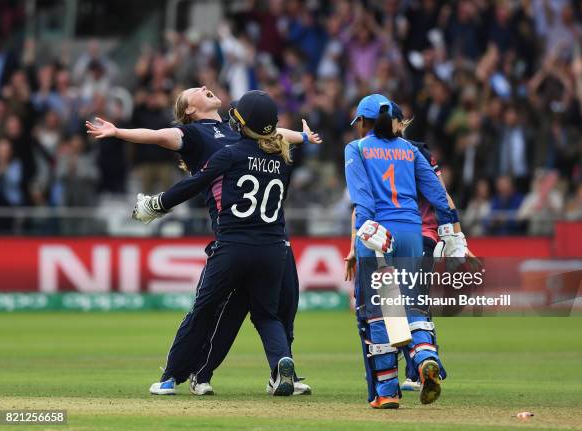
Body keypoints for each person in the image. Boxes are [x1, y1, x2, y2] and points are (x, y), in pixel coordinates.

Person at [87, 85, 320, 396]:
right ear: (189, 111)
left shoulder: (235, 135)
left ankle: (193, 376)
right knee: (259, 312)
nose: (205, 87)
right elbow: (157, 136)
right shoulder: (195, 134)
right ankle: (238, 370)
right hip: (268, 239)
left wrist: (158, 204)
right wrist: (118, 132)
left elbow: (274, 132)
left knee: (245, 309)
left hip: (240, 241)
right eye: (194, 91)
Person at [344, 94, 464, 409]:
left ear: (362, 123)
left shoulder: (355, 149)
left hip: (378, 235)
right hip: (412, 234)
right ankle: (425, 357)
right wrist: (452, 234)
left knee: (379, 314)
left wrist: (367, 230)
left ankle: (386, 391)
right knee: (412, 309)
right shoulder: (410, 150)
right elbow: (438, 196)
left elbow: (362, 199)